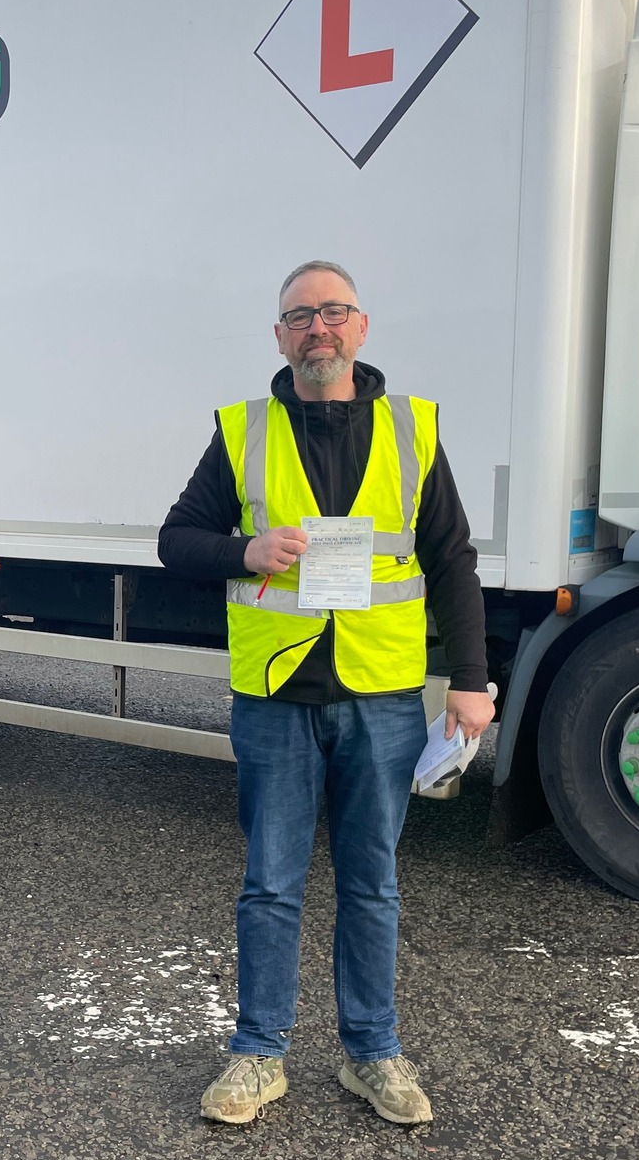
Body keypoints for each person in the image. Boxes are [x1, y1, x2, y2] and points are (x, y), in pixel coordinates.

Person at [158, 259, 493, 1128]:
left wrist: (470, 682)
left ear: (361, 327)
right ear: (279, 336)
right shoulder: (244, 430)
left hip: (382, 695)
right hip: (276, 692)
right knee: (271, 883)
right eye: (301, 316)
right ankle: (258, 1055)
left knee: (372, 883)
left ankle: (371, 1052)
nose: (319, 328)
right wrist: (243, 552)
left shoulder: (411, 428)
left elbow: (452, 559)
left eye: (333, 312)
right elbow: (176, 541)